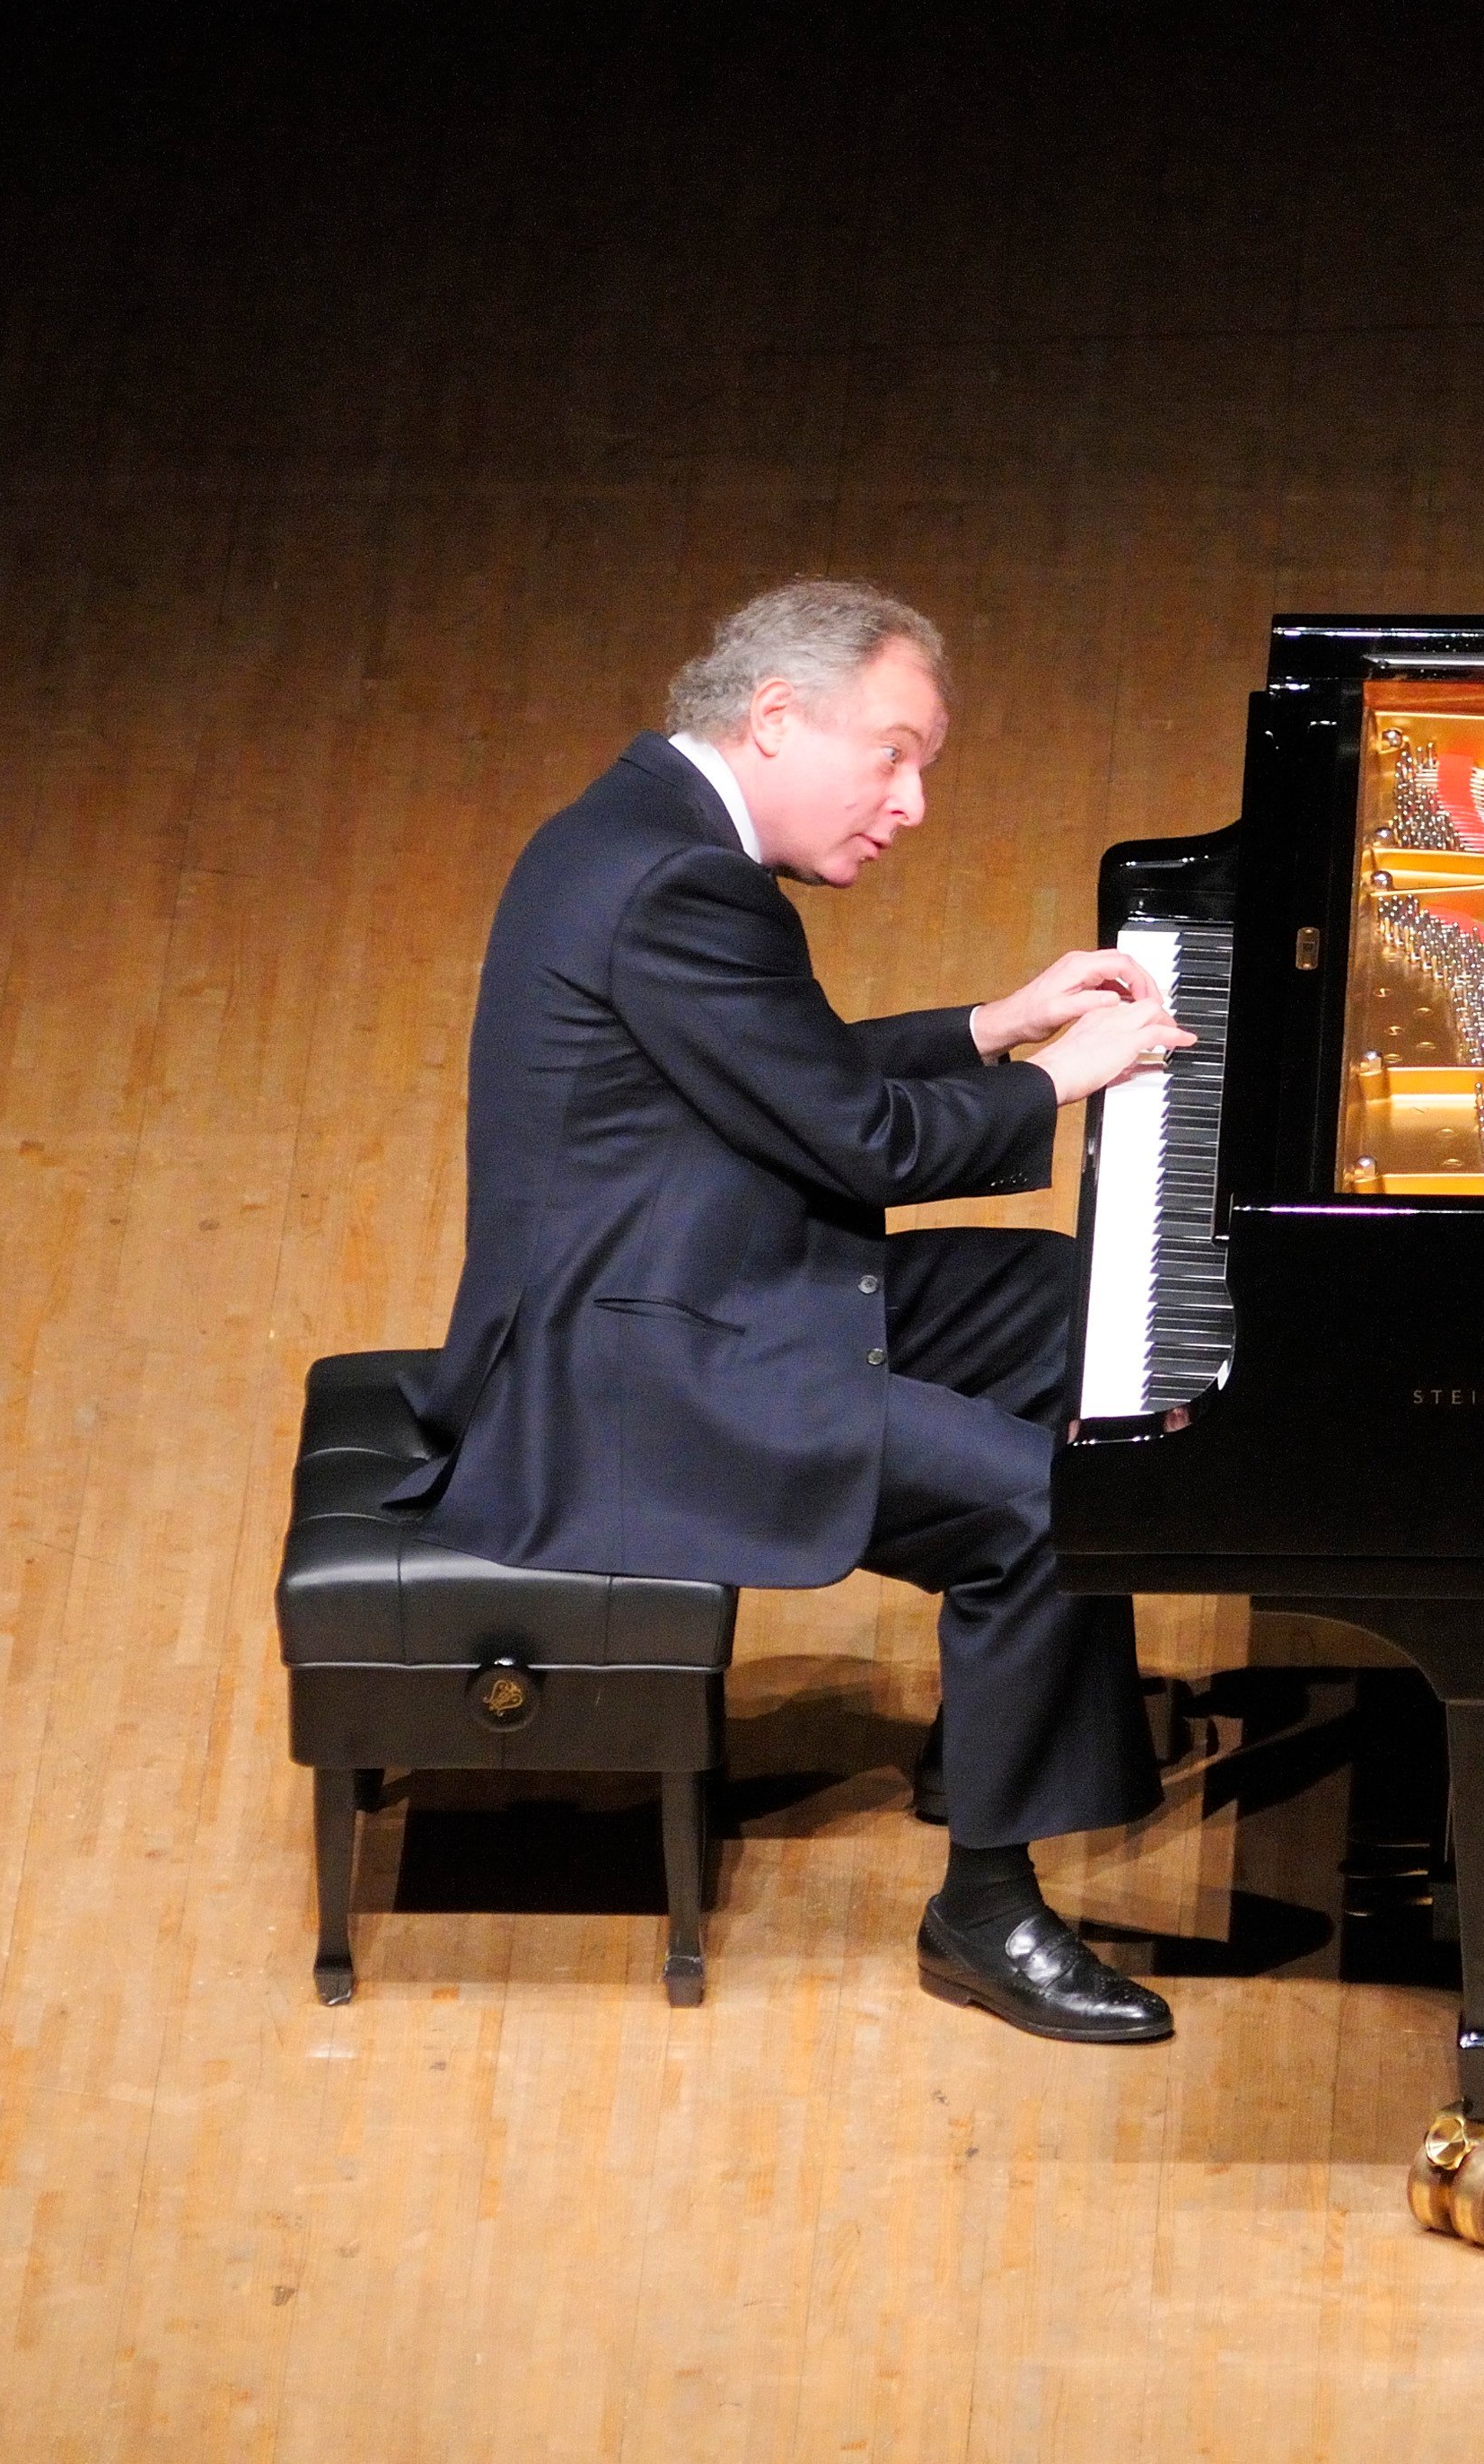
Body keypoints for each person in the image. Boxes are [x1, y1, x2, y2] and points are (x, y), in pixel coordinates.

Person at [385, 577, 1196, 2042]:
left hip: (712, 1278)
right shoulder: (674, 881)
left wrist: (989, 1025)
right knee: (1040, 1501)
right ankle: (985, 1906)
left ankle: (1000, 1734)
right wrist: (1058, 1079)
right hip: (632, 1372)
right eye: (894, 752)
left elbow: (787, 1070)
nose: (913, 801)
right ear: (773, 718)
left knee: (1074, 1306)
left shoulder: (648, 834)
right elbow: (861, 1141)